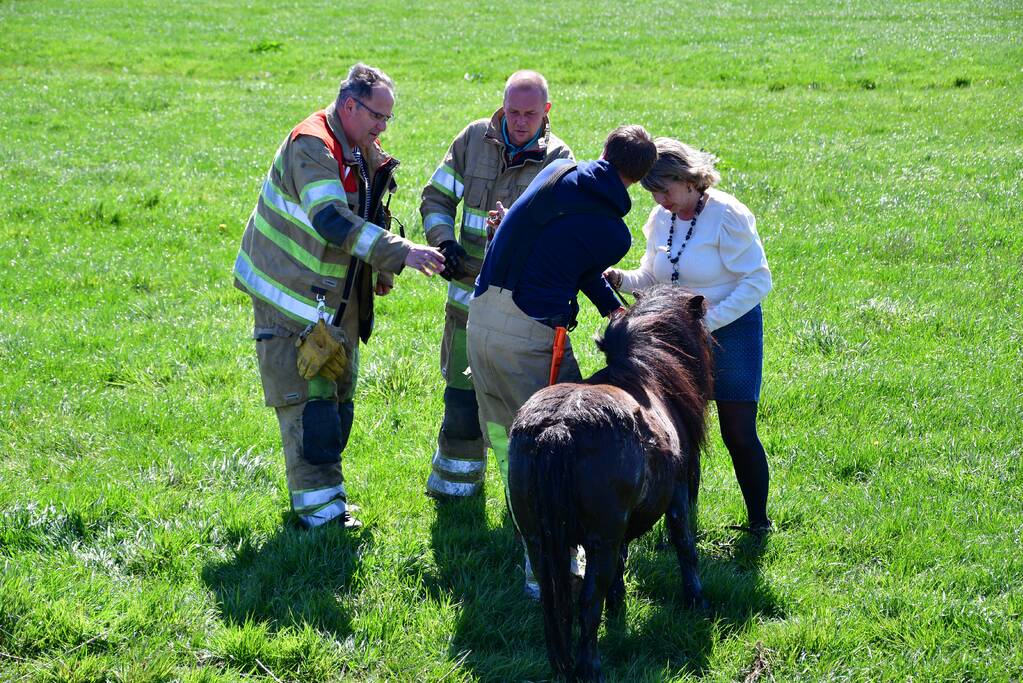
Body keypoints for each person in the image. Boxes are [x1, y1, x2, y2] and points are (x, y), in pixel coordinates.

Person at [233, 63, 446, 530]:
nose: (383, 127)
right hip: (292, 299)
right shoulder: (312, 145)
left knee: (336, 404)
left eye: (388, 119)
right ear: (350, 106)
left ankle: (330, 506)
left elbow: (364, 212)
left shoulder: (357, 147)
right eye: (377, 116)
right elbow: (330, 219)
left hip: (335, 301)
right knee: (310, 410)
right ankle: (319, 520)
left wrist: (377, 270)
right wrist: (400, 253)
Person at [467, 125, 658, 595]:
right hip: (528, 334)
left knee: (508, 442)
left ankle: (529, 543)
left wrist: (610, 304)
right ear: (642, 177)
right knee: (564, 443)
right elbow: (582, 260)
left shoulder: (554, 171)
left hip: (480, 318)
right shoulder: (613, 233)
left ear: (605, 151)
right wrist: (617, 312)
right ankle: (548, 569)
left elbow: (567, 256)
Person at [604, 137, 774, 533]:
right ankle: (682, 526)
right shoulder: (661, 218)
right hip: (676, 336)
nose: (661, 199)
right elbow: (653, 274)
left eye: (666, 189)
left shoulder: (728, 214)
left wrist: (707, 323)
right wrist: (622, 278)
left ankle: (758, 523)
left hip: (731, 332)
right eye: (653, 191)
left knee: (737, 431)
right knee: (681, 433)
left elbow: (757, 281)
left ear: (689, 178)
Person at [420, 71, 573, 499]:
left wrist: (515, 231)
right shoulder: (472, 140)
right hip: (466, 302)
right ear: (501, 106)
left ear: (547, 111)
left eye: (530, 114)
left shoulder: (559, 159)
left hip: (517, 311)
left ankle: (521, 495)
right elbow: (435, 197)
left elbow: (560, 234)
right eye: (512, 112)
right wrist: (444, 242)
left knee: (516, 407)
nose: (520, 121)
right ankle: (455, 488)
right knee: (462, 399)